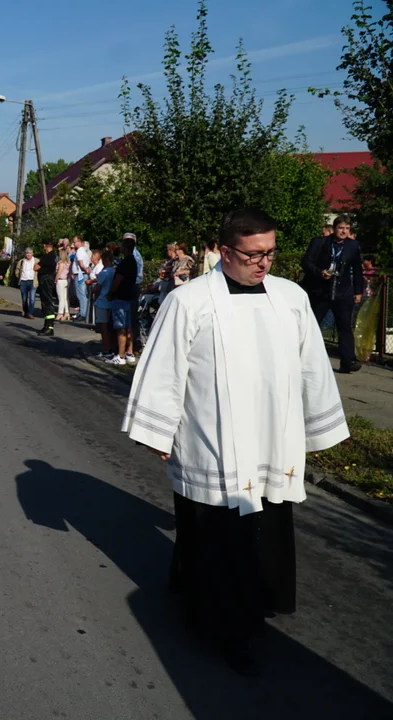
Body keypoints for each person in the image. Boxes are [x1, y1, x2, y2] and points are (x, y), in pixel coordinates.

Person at [123, 208, 349, 676]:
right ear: (225, 252)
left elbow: (311, 365)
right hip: (211, 439)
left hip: (272, 438)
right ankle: (219, 625)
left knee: (264, 533)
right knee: (213, 532)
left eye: (270, 252)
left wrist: (318, 427)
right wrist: (157, 430)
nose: (264, 262)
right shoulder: (189, 300)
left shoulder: (290, 297)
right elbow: (166, 367)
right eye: (253, 254)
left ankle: (255, 607)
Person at [301, 215, 364, 373]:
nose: (344, 231)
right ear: (334, 228)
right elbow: (306, 262)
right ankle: (305, 358)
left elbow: (357, 269)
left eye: (347, 229)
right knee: (313, 325)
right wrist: (319, 272)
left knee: (345, 327)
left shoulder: (352, 245)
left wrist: (358, 291)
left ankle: (348, 360)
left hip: (342, 292)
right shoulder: (320, 242)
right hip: (321, 291)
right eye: (341, 228)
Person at [106, 233, 139, 365]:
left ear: (125, 248)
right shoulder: (134, 262)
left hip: (120, 297)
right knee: (128, 326)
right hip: (129, 296)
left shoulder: (125, 263)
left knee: (120, 328)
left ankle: (120, 355)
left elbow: (118, 280)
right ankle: (129, 352)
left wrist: (111, 292)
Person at [92, 249, 117, 358]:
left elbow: (98, 288)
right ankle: (112, 347)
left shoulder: (104, 272)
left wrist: (95, 299)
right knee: (111, 327)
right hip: (112, 302)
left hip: (102, 301)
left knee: (104, 327)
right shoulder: (115, 271)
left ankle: (107, 349)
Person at [35, 240, 58, 336]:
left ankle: (50, 327)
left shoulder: (48, 256)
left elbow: (36, 267)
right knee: (45, 303)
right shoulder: (53, 256)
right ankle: (46, 325)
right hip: (46, 280)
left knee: (47, 303)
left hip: (46, 280)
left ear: (46, 245)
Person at [70, 236, 93, 321]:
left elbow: (80, 263)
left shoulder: (79, 251)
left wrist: (84, 269)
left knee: (81, 294)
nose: (74, 244)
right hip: (80, 274)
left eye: (75, 242)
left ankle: (83, 313)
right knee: (81, 294)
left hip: (80, 274)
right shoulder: (82, 251)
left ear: (79, 242)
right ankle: (82, 312)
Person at [18, 248, 38, 319]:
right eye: (27, 253)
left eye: (30, 253)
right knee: (24, 298)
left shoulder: (36, 261)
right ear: (25, 254)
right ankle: (26, 312)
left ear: (32, 254)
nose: (28, 254)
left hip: (32, 281)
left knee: (32, 298)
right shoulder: (22, 261)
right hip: (23, 281)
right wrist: (19, 277)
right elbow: (17, 270)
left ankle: (30, 313)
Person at [55, 245, 71, 322]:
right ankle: (67, 312)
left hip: (60, 280)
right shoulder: (68, 262)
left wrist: (55, 279)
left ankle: (60, 312)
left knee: (60, 298)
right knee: (64, 298)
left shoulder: (61, 263)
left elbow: (59, 272)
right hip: (65, 280)